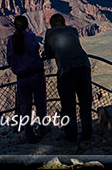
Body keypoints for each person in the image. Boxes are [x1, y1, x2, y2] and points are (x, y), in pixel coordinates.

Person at [44, 13, 93, 143]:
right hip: (84, 65)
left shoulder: (49, 33)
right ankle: (87, 133)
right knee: (85, 101)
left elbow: (48, 53)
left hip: (66, 70)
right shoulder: (73, 30)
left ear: (52, 25)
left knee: (68, 104)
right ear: (64, 22)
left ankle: (71, 135)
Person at [6, 15, 47, 143]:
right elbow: (36, 49)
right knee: (40, 103)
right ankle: (43, 130)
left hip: (22, 78)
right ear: (27, 25)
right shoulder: (31, 37)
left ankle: (29, 135)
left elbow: (9, 59)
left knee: (25, 107)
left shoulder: (11, 40)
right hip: (36, 74)